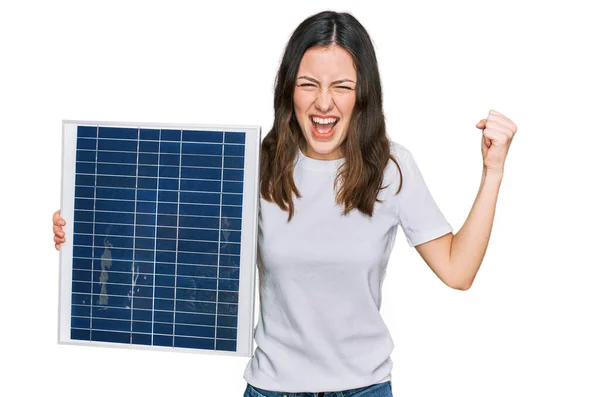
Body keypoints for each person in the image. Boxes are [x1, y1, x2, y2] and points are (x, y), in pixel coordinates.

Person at [53, 10, 517, 397]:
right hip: (271, 389)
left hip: (365, 388)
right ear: (288, 90)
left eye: (342, 86)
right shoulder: (255, 166)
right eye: (308, 84)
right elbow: (170, 241)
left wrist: (492, 172)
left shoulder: (392, 169)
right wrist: (86, 225)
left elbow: (458, 271)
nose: (324, 103)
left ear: (363, 94)